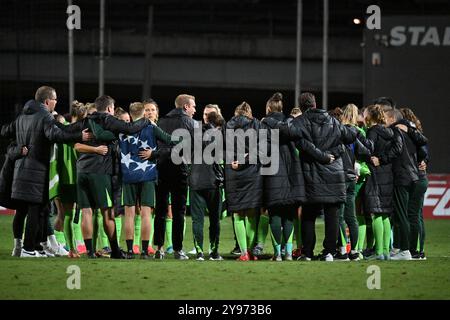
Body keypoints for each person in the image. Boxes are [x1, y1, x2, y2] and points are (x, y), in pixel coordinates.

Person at [1, 86, 91, 257]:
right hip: (38, 171)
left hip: (21, 171)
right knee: (37, 210)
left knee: (22, 210)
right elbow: (56, 135)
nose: (56, 102)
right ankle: (29, 248)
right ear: (47, 101)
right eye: (55, 99)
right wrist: (79, 137)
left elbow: (5, 130)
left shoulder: (22, 116)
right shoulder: (44, 116)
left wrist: (19, 147)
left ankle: (21, 248)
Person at [274, 92, 358, 261]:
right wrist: (335, 150)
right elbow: (351, 135)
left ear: (302, 106)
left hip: (311, 175)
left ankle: (308, 252)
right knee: (332, 215)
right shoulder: (333, 121)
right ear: (315, 103)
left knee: (308, 215)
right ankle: (329, 252)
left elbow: (282, 130)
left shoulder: (300, 121)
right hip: (334, 174)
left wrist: (293, 121)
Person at [76, 94, 150, 259]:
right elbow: (129, 129)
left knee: (87, 212)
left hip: (81, 170)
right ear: (110, 109)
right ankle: (115, 250)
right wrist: (145, 120)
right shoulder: (109, 122)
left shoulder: (85, 122)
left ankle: (89, 252)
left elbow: (74, 142)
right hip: (99, 171)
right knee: (107, 213)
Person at [260, 93, 305, 261]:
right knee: (289, 214)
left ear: (268, 108)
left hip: (272, 174)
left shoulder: (265, 124)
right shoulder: (290, 123)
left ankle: (277, 254)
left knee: (275, 214)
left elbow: (263, 150)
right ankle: (288, 253)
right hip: (292, 174)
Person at [378, 108, 427, 260]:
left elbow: (397, 149)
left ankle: (405, 250)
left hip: (402, 176)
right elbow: (423, 151)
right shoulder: (410, 134)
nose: (383, 120)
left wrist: (382, 159)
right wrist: (421, 161)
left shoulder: (396, 131)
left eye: (385, 117)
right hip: (413, 176)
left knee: (403, 214)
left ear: (392, 118)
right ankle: (404, 249)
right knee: (408, 215)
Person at [153, 94, 198, 260]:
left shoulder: (161, 121)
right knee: (179, 211)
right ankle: (178, 250)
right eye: (193, 106)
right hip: (180, 169)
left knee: (160, 210)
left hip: (162, 168)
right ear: (185, 106)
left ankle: (159, 249)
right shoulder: (190, 123)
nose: (195, 109)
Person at [224, 102, 263, 261]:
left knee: (238, 214)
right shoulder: (257, 125)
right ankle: (251, 252)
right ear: (249, 113)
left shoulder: (227, 126)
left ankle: (244, 253)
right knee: (252, 213)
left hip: (234, 173)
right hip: (253, 173)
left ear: (236, 113)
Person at [335, 104, 373, 261]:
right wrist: (357, 163)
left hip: (340, 176)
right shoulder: (357, 132)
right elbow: (366, 150)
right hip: (352, 176)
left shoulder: (337, 131)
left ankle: (343, 251)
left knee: (339, 216)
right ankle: (355, 252)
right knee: (352, 217)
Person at [189, 104, 225, 261]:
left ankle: (199, 253)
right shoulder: (220, 134)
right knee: (214, 219)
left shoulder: (193, 131)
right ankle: (214, 252)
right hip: (213, 182)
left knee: (197, 219)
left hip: (196, 181)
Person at [400, 108, 429, 260]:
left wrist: (422, 161)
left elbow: (424, 152)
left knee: (414, 215)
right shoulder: (417, 134)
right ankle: (418, 249)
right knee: (417, 215)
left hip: (417, 178)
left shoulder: (412, 135)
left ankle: (416, 250)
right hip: (419, 177)